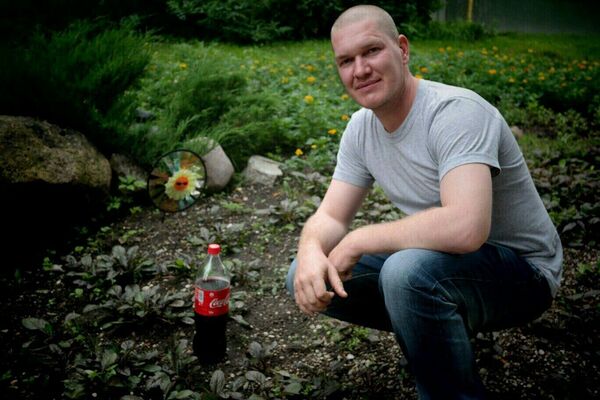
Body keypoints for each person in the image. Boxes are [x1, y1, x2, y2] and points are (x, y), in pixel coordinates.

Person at [285, 4, 563, 399]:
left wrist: (358, 240)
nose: (360, 70)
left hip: (524, 272)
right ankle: (437, 326)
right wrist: (310, 249)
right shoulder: (361, 130)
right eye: (346, 60)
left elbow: (466, 228)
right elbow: (330, 215)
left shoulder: (456, 113)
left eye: (371, 51)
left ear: (402, 49)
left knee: (407, 273)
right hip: (449, 265)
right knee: (306, 272)